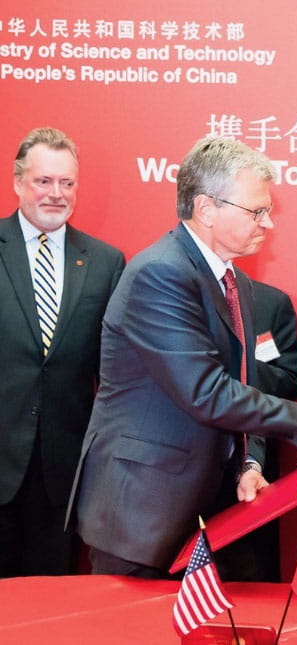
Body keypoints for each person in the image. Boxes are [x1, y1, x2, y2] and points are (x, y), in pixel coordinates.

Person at [66, 136, 297, 578]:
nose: (269, 223)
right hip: (142, 510)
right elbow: (204, 391)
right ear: (206, 209)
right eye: (256, 211)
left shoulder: (231, 280)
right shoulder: (160, 274)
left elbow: (241, 384)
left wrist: (250, 461)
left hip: (208, 510)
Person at [0, 127, 125, 577]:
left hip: (64, 474)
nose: (56, 194)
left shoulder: (106, 262)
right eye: (43, 181)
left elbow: (112, 370)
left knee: (50, 606)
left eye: (66, 183)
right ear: (17, 183)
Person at [235, 278, 297, 581]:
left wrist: (237, 366)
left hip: (256, 459)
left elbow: (290, 381)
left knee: (252, 576)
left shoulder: (269, 301)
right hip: (182, 467)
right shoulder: (176, 291)